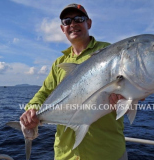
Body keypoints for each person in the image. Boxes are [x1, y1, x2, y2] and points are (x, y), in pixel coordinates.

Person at [20, 3, 127, 160]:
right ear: (62, 29)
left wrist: (130, 94)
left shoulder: (109, 52)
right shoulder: (59, 64)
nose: (73, 24)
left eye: (79, 19)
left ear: (88, 23)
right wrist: (32, 111)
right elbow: (44, 92)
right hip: (66, 153)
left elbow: (133, 83)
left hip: (106, 152)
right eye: (67, 21)